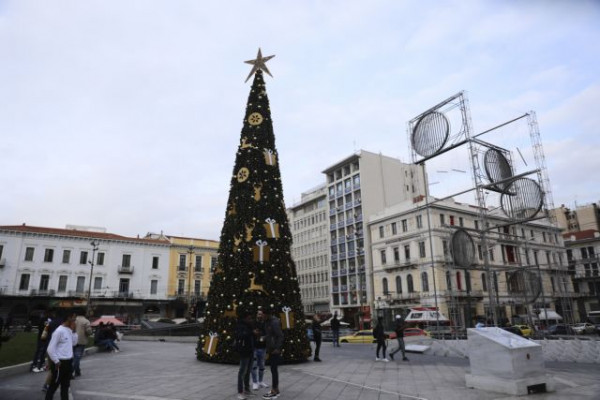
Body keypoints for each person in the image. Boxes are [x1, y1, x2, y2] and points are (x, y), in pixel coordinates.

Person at [45, 311, 77, 400]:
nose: (75, 321)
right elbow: (50, 348)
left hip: (68, 362)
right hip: (60, 362)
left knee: (65, 387)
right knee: (53, 386)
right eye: (74, 318)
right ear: (68, 318)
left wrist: (74, 331)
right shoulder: (59, 331)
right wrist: (56, 361)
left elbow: (74, 343)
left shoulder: (69, 330)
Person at [262, 307, 284, 399]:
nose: (261, 316)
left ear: (267, 314)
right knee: (273, 370)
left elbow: (280, 336)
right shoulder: (267, 321)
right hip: (271, 348)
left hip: (275, 349)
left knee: (274, 370)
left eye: (263, 314)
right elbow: (270, 334)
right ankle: (276, 389)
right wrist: (265, 337)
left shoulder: (274, 322)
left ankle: (274, 391)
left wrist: (277, 348)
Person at [235, 311, 255, 400]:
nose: (251, 320)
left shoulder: (249, 325)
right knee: (242, 371)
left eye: (251, 318)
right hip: (244, 351)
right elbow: (240, 336)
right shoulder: (240, 325)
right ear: (245, 318)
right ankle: (240, 392)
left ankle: (247, 389)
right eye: (249, 318)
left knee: (248, 371)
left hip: (250, 350)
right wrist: (251, 332)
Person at [251, 309, 270, 390]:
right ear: (256, 315)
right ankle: (255, 382)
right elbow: (249, 333)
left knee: (262, 365)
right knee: (254, 365)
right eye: (259, 314)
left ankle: (260, 381)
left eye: (261, 314)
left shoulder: (265, 323)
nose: (260, 316)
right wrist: (253, 332)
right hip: (254, 347)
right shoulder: (253, 323)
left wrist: (264, 337)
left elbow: (269, 334)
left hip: (263, 347)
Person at [72, 309, 92, 378]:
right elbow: (89, 331)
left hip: (71, 341)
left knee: (72, 357)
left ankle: (77, 371)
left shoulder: (73, 320)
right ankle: (73, 371)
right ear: (84, 313)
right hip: (81, 341)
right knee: (77, 357)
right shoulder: (86, 321)